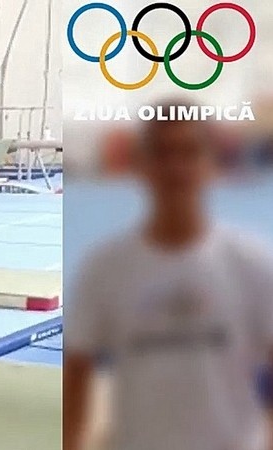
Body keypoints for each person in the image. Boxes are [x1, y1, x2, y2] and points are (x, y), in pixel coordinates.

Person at [64, 98, 273, 450]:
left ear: (211, 163)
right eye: (162, 154)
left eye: (188, 152)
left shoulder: (252, 264)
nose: (175, 167)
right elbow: (76, 375)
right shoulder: (104, 269)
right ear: (141, 165)